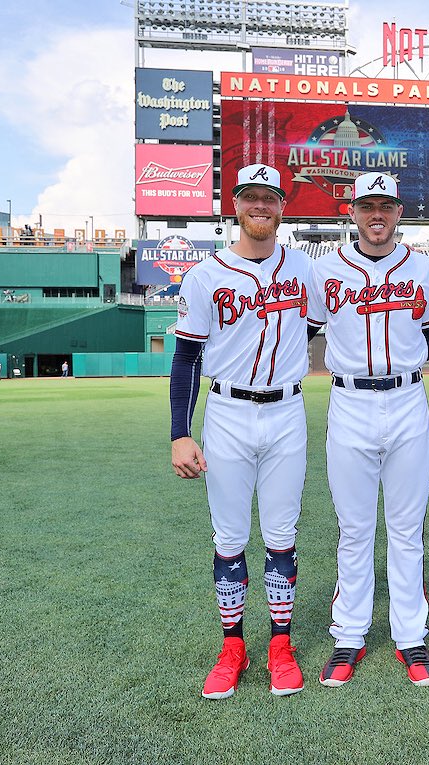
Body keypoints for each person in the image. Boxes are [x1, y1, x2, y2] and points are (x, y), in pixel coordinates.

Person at [306, 171, 429, 688]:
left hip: (408, 400)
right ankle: (348, 636)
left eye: (386, 206)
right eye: (368, 205)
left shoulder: (423, 268)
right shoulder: (326, 270)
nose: (377, 215)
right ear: (352, 211)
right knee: (354, 530)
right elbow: (297, 331)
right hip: (348, 402)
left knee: (406, 528)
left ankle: (409, 637)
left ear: (399, 212)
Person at [170, 163, 312, 699]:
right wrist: (180, 433)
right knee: (229, 539)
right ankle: (233, 645)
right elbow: (185, 358)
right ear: (235, 205)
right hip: (227, 413)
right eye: (250, 196)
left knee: (281, 537)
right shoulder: (205, 275)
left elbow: (331, 319)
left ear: (282, 206)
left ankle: (280, 644)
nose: (260, 206)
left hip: (287, 413)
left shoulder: (302, 268)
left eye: (269, 197)